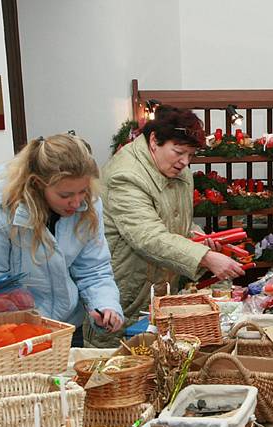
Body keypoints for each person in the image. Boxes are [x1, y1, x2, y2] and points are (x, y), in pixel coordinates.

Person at [87, 106, 244, 347]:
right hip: (125, 295)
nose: (185, 162)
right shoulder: (125, 175)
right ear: (153, 141)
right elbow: (148, 236)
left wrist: (200, 239)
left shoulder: (180, 173)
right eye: (179, 152)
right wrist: (205, 257)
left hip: (162, 292)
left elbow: (176, 221)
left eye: (191, 155)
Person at [0, 133, 124, 347]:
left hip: (66, 328)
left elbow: (93, 268)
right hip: (11, 334)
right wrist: (26, 327)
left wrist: (105, 305)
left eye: (82, 191)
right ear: (38, 184)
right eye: (65, 195)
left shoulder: (88, 204)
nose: (76, 202)